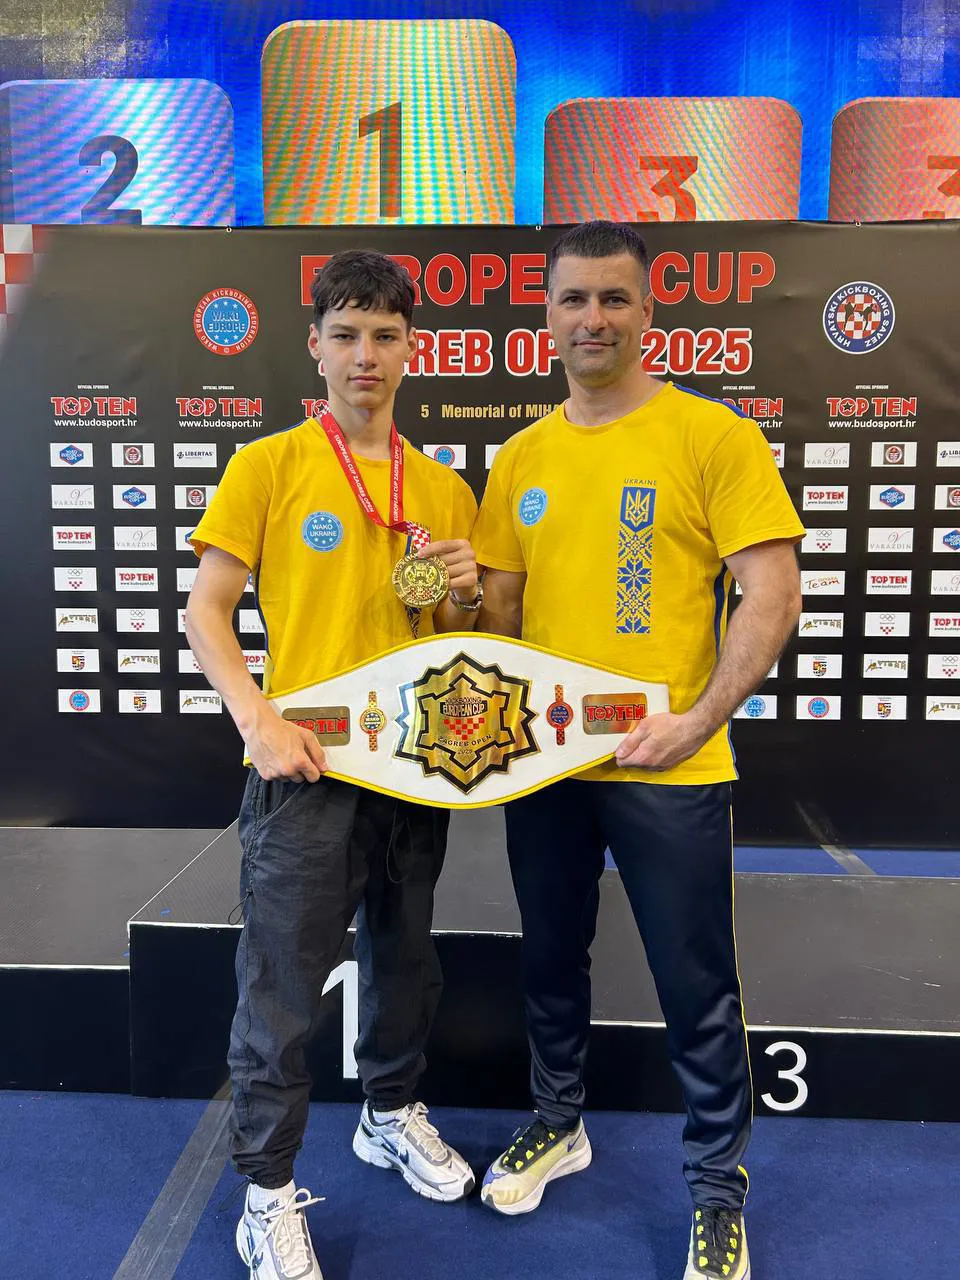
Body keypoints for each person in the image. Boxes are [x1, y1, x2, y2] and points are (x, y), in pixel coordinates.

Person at [470, 220, 804, 1280]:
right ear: (547, 317)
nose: (594, 319)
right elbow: (500, 612)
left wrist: (697, 720)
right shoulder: (521, 457)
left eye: (615, 298)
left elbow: (771, 594)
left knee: (696, 983)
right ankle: (558, 1121)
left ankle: (716, 1188)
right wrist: (443, 594)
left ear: (648, 313)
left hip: (671, 765)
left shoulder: (712, 436)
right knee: (548, 957)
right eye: (574, 299)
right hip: (548, 765)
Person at [185, 249, 484, 1280]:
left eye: (385, 336)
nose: (366, 354)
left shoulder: (441, 486)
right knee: (281, 989)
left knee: (404, 964)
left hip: (411, 769)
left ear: (412, 350)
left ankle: (388, 1113)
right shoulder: (268, 466)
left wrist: (462, 593)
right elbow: (206, 611)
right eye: (347, 334)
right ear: (315, 344)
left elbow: (450, 640)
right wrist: (257, 716)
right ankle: (266, 1193)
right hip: (305, 768)